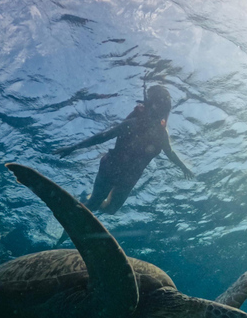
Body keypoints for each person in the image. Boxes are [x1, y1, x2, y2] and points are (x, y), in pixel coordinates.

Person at [53, 85, 194, 244]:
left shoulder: (162, 134)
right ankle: (63, 237)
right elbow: (103, 136)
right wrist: (74, 147)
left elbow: (170, 153)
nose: (162, 110)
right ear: (151, 106)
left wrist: (183, 167)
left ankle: (86, 198)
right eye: (159, 105)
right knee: (93, 204)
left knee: (111, 210)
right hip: (110, 169)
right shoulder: (133, 123)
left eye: (164, 107)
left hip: (129, 178)